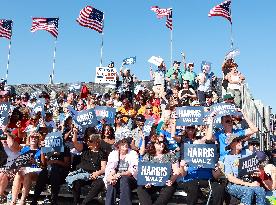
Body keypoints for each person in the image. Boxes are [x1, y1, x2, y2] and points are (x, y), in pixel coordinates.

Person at [224, 134, 266, 205]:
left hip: (248, 181)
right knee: (248, 191)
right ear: (231, 145)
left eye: (240, 140)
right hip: (234, 185)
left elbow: (258, 163)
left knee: (260, 190)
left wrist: (255, 171)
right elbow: (230, 178)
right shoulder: (228, 158)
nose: (240, 142)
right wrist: (249, 184)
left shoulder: (247, 153)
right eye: (237, 141)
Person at [137, 135, 179, 205]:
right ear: (154, 144)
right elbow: (143, 172)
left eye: (163, 142)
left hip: (166, 183)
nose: (162, 144)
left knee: (169, 188)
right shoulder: (148, 155)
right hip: (152, 183)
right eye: (159, 142)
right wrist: (146, 182)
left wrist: (171, 180)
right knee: (141, 188)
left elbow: (176, 170)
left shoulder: (170, 155)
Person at [66, 133, 107, 205]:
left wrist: (96, 173)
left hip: (94, 175)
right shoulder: (85, 149)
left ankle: (85, 203)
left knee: (99, 183)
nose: (88, 142)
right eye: (88, 141)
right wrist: (75, 133)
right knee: (76, 182)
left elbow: (103, 168)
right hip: (82, 173)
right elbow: (74, 143)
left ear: (96, 142)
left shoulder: (102, 153)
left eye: (90, 141)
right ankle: (76, 203)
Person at [30, 138, 71, 205]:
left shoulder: (64, 149)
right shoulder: (47, 149)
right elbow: (43, 165)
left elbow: (67, 165)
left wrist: (56, 161)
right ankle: (35, 200)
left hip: (61, 173)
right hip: (48, 172)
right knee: (43, 173)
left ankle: (53, 200)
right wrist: (42, 151)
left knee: (54, 169)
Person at [10, 132, 42, 205]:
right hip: (26, 168)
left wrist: (35, 162)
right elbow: (19, 161)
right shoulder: (25, 149)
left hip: (36, 170)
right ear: (29, 139)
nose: (33, 138)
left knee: (28, 174)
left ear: (38, 139)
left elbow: (44, 165)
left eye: (36, 137)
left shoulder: (41, 150)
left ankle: (22, 200)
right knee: (18, 175)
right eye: (32, 137)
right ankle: (13, 200)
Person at [104, 138, 138, 205]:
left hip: (131, 178)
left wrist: (119, 174)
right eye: (122, 143)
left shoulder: (133, 153)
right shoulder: (113, 154)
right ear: (118, 146)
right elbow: (110, 169)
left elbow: (133, 171)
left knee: (124, 178)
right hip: (117, 178)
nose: (125, 144)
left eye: (126, 143)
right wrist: (111, 177)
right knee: (112, 182)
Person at [0, 130, 21, 203]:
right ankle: (1, 195)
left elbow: (12, 146)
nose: (4, 139)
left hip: (15, 169)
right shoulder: (2, 148)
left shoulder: (16, 145)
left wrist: (6, 134)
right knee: (2, 174)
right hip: (4, 169)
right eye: (3, 138)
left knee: (3, 175)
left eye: (6, 137)